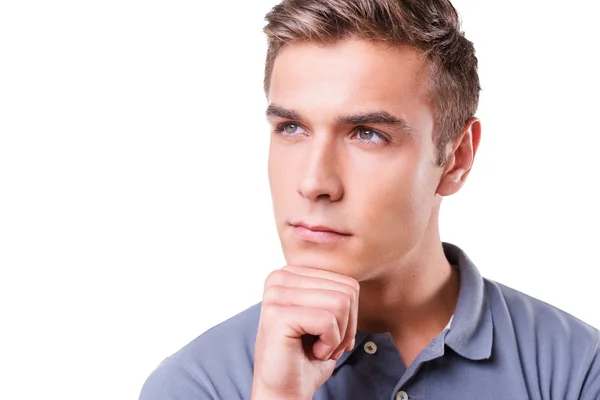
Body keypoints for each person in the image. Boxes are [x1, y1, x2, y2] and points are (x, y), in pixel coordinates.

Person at [139, 0, 600, 399]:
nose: (315, 182)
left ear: (456, 158)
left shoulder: (578, 373)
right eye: (291, 128)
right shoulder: (194, 384)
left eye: (367, 134)